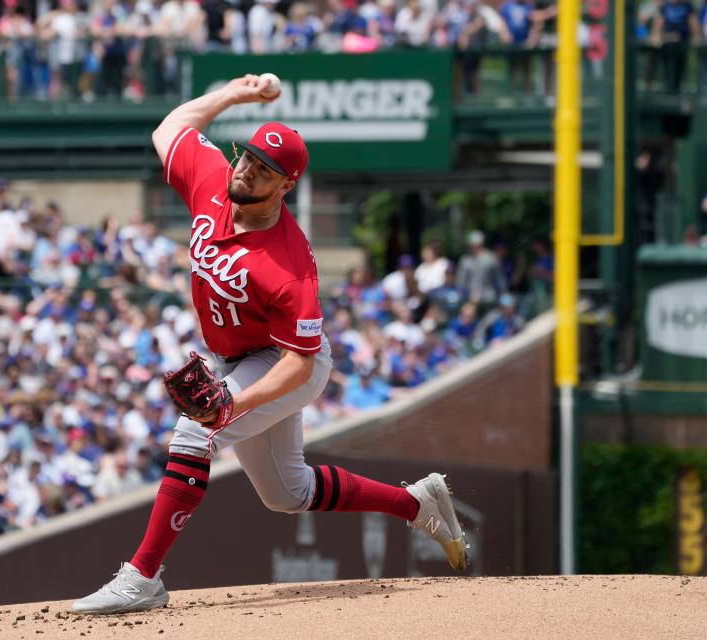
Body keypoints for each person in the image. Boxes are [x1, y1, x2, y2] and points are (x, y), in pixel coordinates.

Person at [70, 74, 468, 615]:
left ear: (285, 186)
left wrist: (233, 404)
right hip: (234, 357)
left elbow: (300, 364)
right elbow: (171, 128)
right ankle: (414, 503)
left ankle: (142, 577)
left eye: (263, 169)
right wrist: (233, 94)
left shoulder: (289, 265)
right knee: (287, 494)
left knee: (194, 432)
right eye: (247, 157)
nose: (246, 169)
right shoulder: (216, 182)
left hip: (286, 363)